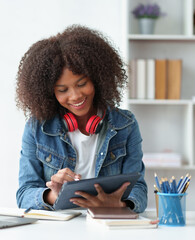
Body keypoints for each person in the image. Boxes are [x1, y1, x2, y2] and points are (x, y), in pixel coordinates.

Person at [15, 25, 147, 213]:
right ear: (49, 92)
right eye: (63, 90)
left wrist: (119, 205)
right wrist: (54, 195)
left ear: (97, 78)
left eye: (82, 84)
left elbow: (139, 190)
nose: (75, 96)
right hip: (60, 227)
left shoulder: (125, 125)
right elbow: (24, 194)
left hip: (107, 222)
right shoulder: (37, 128)